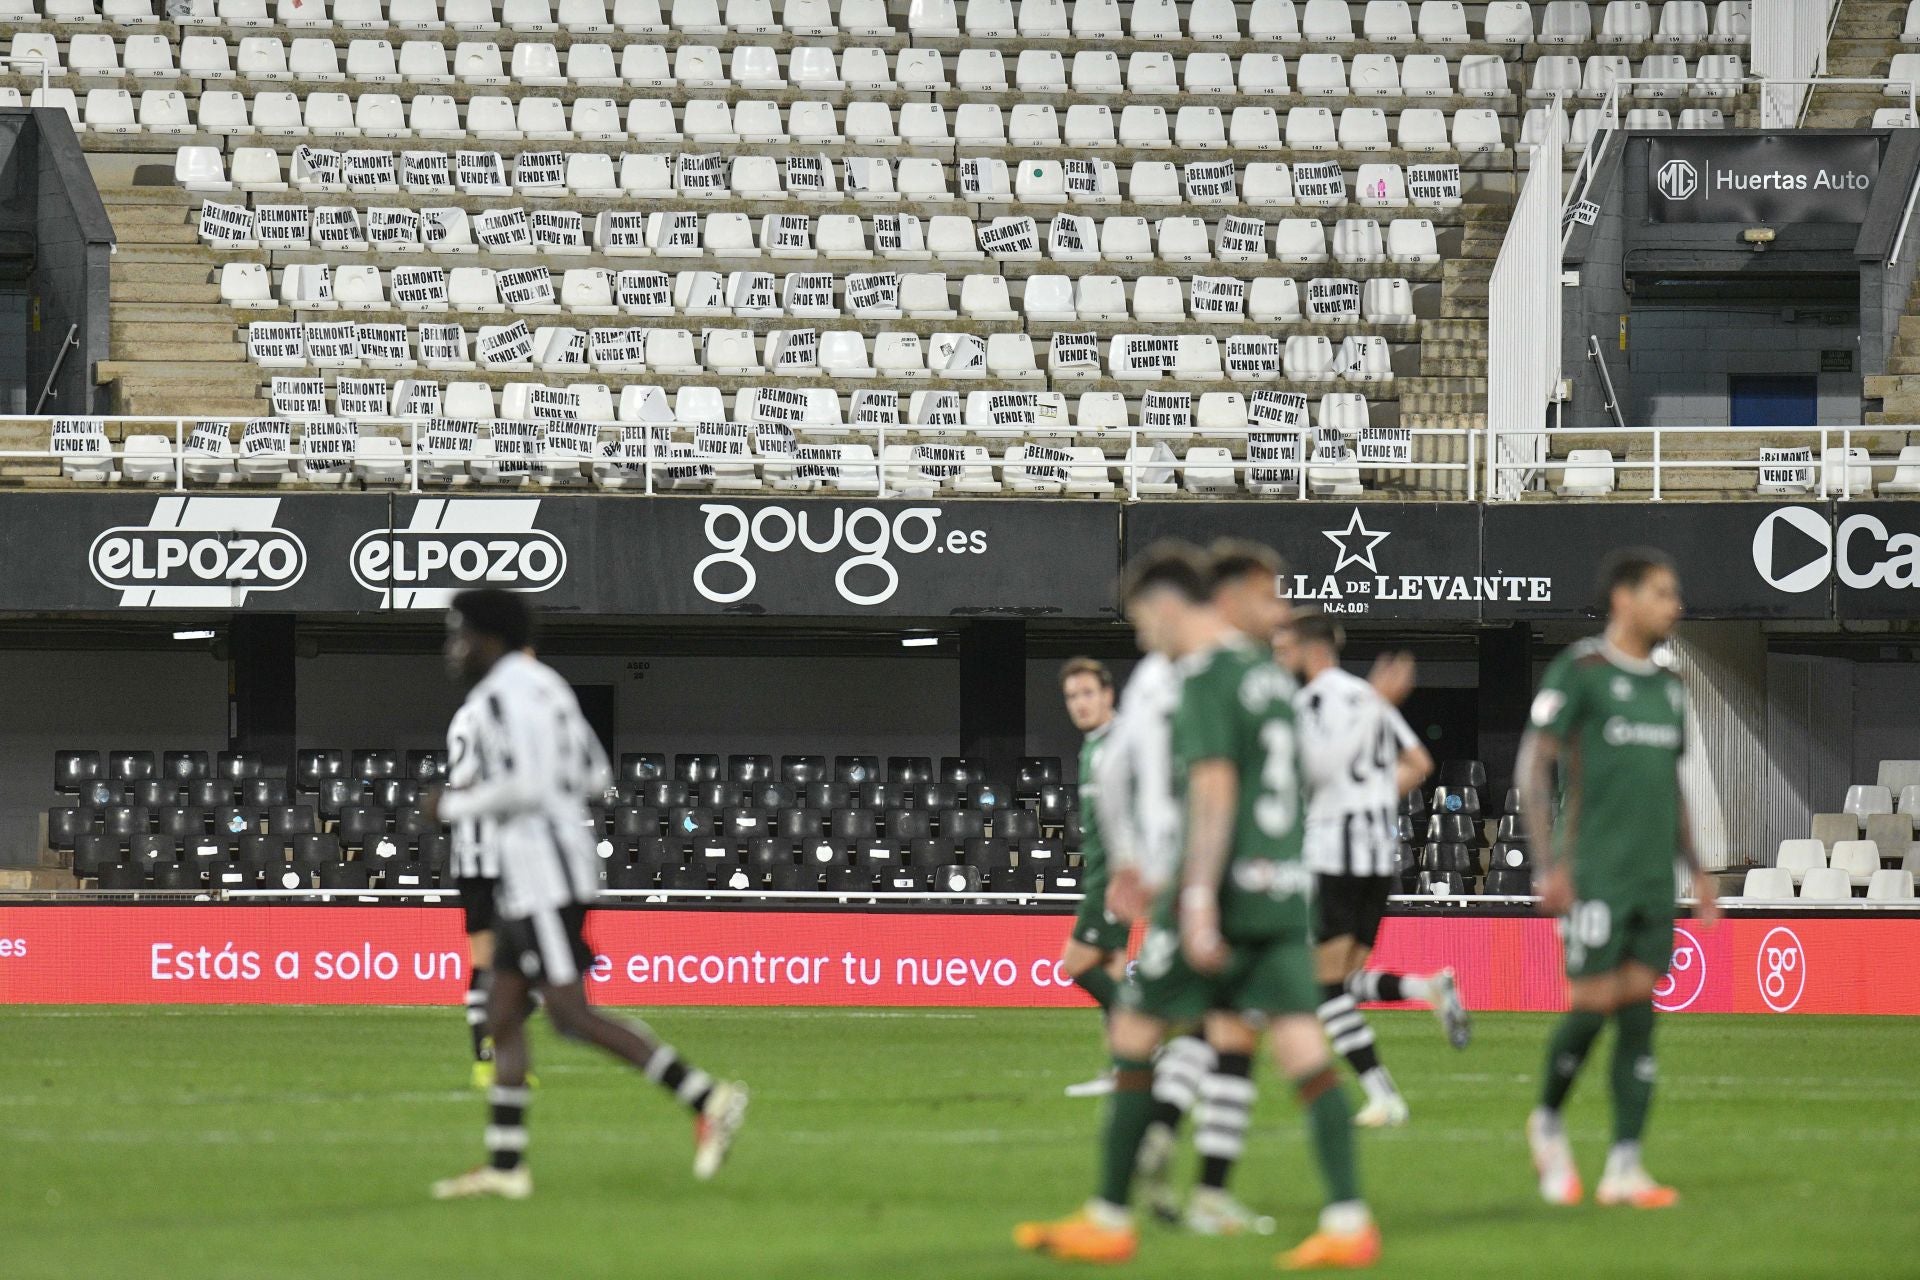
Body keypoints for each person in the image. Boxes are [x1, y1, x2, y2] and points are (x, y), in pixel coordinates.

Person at [1018, 542, 1378, 1270]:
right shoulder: (1269, 675)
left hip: (1216, 891)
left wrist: (1197, 897)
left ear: (1166, 606)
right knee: (1305, 1052)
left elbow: (1212, 787)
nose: (1143, 637)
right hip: (1282, 889)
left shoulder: (1205, 675)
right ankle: (1347, 1220)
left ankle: (1110, 1216)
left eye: (1142, 621)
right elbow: (1308, 773)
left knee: (1134, 1035)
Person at [424, 588, 749, 1201]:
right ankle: (505, 1165)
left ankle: (709, 1097)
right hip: (547, 864)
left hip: (542, 870)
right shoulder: (548, 686)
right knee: (501, 1012)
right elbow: (596, 773)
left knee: (570, 1015)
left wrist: (454, 804)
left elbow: (523, 784)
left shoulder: (499, 695)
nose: (454, 648)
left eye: (459, 633)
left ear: (487, 636)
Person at [1517, 548, 1718, 1210]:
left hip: (1651, 879)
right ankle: (1546, 1119)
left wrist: (1698, 869)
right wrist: (1548, 866)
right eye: (1664, 593)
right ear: (1625, 599)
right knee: (1593, 1002)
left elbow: (1673, 784)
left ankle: (1625, 1166)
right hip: (1594, 872)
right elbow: (1534, 768)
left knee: (1639, 1013)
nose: (1676, 606)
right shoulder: (1582, 671)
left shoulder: (1670, 686)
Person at [1275, 612, 1470, 1129]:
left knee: (1323, 989)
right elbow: (1420, 763)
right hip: (1377, 857)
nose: (1279, 655)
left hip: (1332, 856)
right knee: (1344, 978)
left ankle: (1383, 1096)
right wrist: (1369, 799)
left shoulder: (1310, 703)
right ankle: (1424, 989)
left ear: (1309, 649)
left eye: (1284, 645)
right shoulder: (1367, 696)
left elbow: (1316, 770)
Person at [1057, 656, 1130, 1099]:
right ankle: (1125, 1069)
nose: (1079, 704)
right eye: (1071, 697)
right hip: (1105, 872)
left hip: (1117, 876)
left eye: (1087, 693)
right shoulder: (1095, 745)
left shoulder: (1122, 745)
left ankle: (1149, 1040)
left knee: (1076, 963)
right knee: (1112, 971)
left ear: (1107, 695)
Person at [445, 696, 501, 1090]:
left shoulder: (463, 716)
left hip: (469, 854)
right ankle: (502, 1050)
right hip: (509, 853)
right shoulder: (513, 715)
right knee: (531, 962)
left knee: (483, 959)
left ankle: (485, 1057)